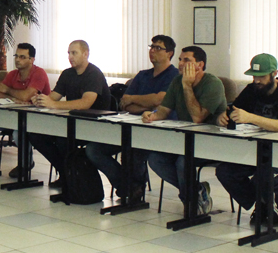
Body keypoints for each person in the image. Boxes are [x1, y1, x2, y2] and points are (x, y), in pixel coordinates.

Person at [86, 35, 180, 203]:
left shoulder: (174, 76)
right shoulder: (142, 75)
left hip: (156, 130)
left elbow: (161, 100)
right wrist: (147, 106)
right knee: (94, 150)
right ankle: (126, 185)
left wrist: (138, 101)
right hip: (129, 126)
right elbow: (125, 102)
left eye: (158, 48)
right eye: (151, 47)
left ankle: (134, 188)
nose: (152, 51)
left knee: (133, 150)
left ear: (169, 53)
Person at [215, 53, 278, 224]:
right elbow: (233, 109)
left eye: (261, 77)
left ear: (274, 73)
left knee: (264, 174)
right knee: (225, 172)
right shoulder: (252, 89)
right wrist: (223, 117)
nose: (257, 81)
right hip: (256, 150)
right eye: (254, 76)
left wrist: (251, 118)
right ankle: (262, 204)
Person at [142, 46, 227, 215]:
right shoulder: (176, 81)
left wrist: (187, 85)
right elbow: (164, 111)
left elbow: (198, 118)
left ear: (200, 65)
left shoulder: (213, 83)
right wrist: (151, 116)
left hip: (211, 141)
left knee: (183, 161)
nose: (180, 64)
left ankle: (191, 201)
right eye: (180, 60)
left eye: (186, 60)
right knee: (155, 159)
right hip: (184, 140)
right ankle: (195, 191)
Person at [29, 40, 111, 188]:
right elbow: (54, 96)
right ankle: (66, 172)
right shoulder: (67, 73)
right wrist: (40, 100)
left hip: (94, 125)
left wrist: (53, 105)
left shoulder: (93, 74)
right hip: (72, 123)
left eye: (74, 53)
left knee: (62, 140)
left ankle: (71, 175)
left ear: (86, 54)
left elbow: (85, 103)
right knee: (35, 135)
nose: (70, 57)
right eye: (69, 53)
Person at [0, 43, 50, 179]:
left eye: (23, 57)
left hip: (37, 118)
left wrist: (8, 91)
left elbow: (26, 96)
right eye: (16, 56)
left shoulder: (39, 73)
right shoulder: (12, 74)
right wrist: (12, 98)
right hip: (14, 116)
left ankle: (25, 165)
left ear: (32, 60)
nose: (18, 60)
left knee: (20, 133)